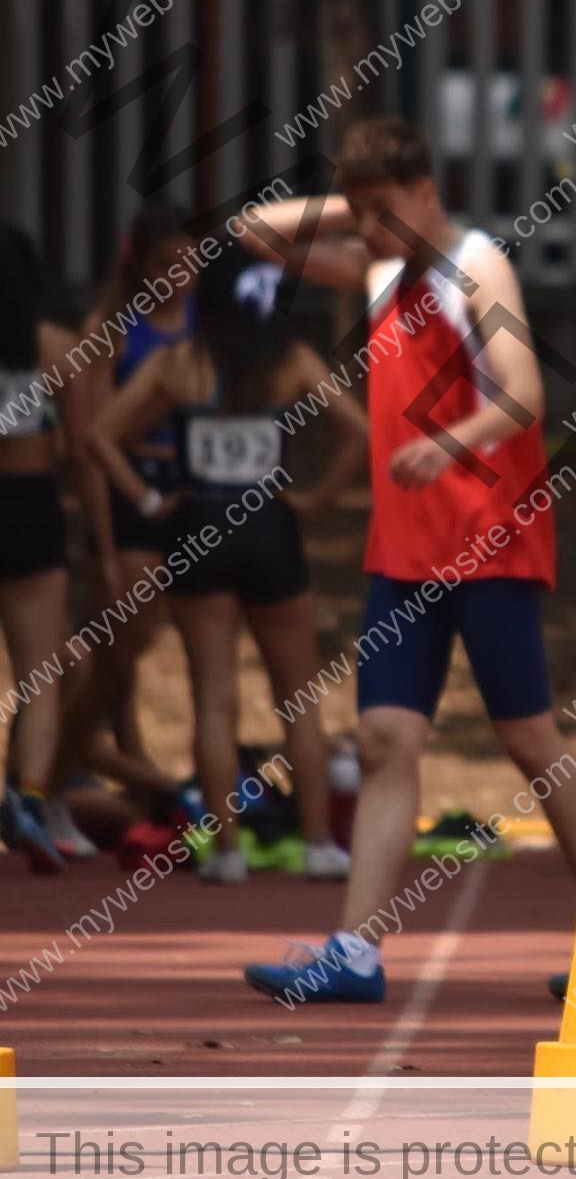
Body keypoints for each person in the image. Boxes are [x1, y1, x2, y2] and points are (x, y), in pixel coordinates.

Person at [233, 118, 576, 993]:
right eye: (360, 216)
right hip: (403, 553)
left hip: (490, 541)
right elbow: (253, 229)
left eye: (386, 210)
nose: (369, 229)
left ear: (428, 194)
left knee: (528, 736)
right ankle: (355, 951)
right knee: (387, 738)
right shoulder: (377, 264)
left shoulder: (480, 263)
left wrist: (449, 443)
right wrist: (359, 205)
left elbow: (524, 391)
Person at [88, 244, 368, 882]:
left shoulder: (179, 362)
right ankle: (320, 842)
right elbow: (361, 431)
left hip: (198, 529)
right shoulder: (288, 358)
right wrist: (316, 499)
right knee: (298, 697)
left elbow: (99, 434)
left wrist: (150, 498)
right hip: (269, 526)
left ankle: (230, 851)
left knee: (213, 697)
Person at [58, 204, 198, 789]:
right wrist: (106, 550)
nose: (181, 272)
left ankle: (131, 759)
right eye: (166, 262)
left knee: (178, 631)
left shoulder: (209, 324)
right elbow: (88, 447)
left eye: (191, 259)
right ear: (138, 261)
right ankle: (100, 750)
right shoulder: (109, 328)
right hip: (127, 488)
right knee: (124, 635)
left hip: (194, 492)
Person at [0, 226, 84, 871]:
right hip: (32, 506)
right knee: (39, 672)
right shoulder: (57, 345)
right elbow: (81, 448)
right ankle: (28, 795)